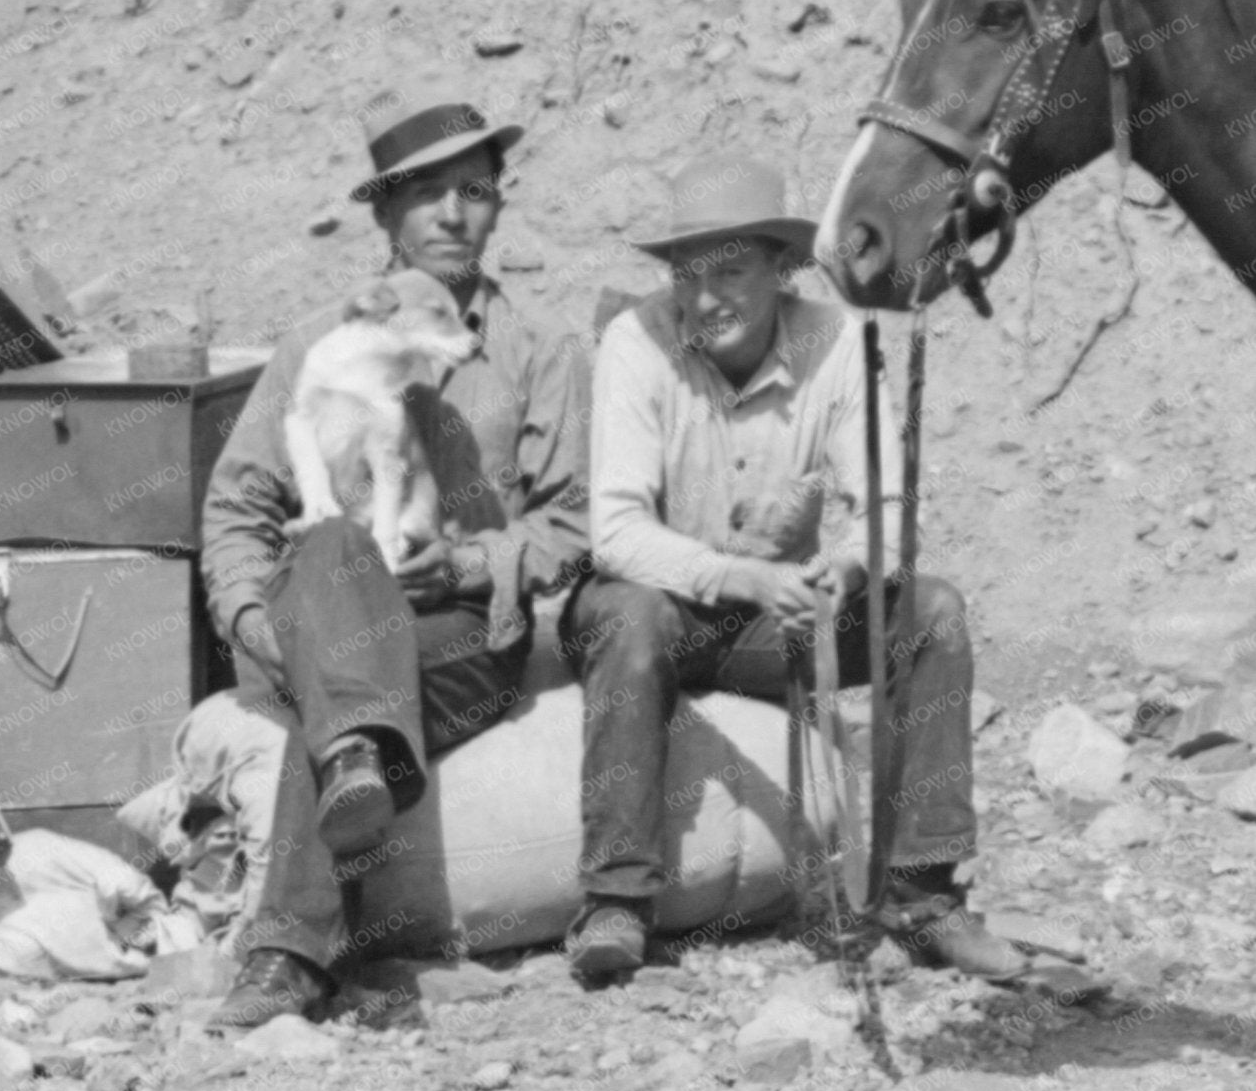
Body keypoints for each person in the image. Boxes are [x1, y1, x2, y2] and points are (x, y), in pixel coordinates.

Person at [559, 159, 1021, 988]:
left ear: (782, 271)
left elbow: (887, 505)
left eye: (731, 272)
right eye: (687, 275)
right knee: (630, 615)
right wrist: (743, 579)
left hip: (773, 621)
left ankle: (924, 894)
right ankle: (617, 898)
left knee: (932, 612)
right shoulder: (636, 342)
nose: (705, 299)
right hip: (658, 607)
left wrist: (847, 570)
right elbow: (618, 534)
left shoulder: (836, 341)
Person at [195, 97, 589, 1026]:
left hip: (456, 634)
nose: (453, 214)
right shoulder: (316, 347)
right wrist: (253, 621)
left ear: (498, 206)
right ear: (384, 216)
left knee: (340, 709)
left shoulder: (541, 351)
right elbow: (237, 509)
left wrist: (466, 566)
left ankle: (290, 953)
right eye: (425, 195)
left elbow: (573, 524)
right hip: (321, 613)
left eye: (475, 192)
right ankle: (349, 775)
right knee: (331, 543)